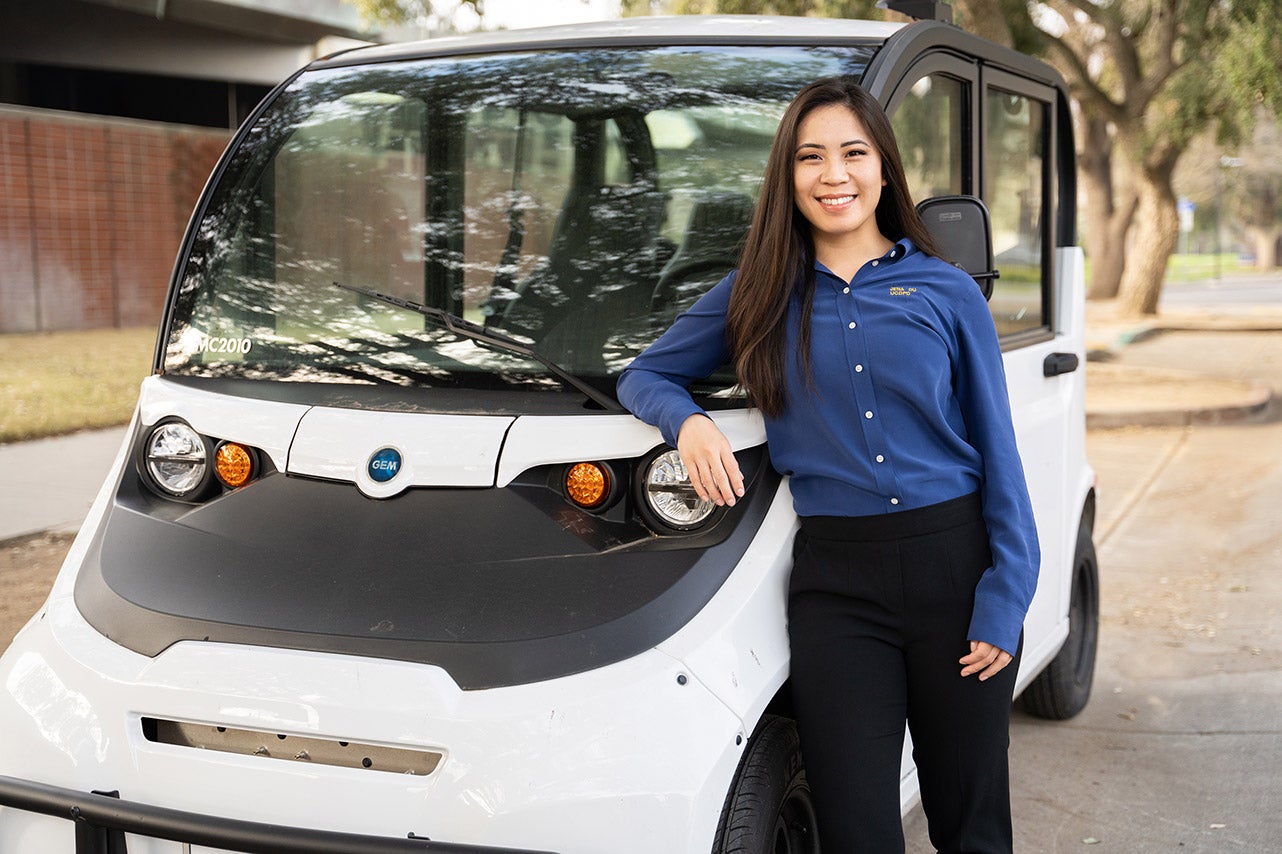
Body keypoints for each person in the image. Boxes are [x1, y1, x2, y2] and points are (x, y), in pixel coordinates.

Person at [616, 77, 1039, 853]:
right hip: (838, 590)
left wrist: (1006, 596)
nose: (833, 174)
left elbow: (1000, 456)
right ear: (789, 176)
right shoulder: (758, 294)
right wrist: (691, 424)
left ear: (883, 168)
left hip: (956, 571)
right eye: (811, 157)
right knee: (854, 827)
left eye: (852, 153)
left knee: (971, 824)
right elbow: (644, 375)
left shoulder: (946, 292)